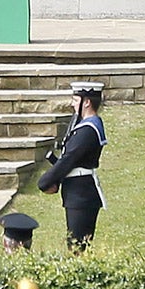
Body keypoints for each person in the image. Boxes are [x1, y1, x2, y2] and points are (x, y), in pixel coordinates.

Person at [37, 81, 107, 251]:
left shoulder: (88, 129)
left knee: (77, 247)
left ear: (87, 102)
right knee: (75, 245)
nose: (72, 104)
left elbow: (69, 159)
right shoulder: (84, 126)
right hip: (76, 192)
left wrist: (44, 182)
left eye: (76, 100)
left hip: (81, 194)